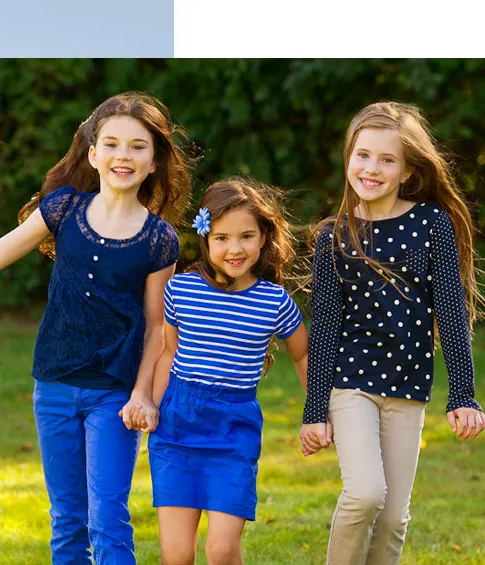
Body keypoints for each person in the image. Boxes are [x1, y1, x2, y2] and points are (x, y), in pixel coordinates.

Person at [0, 91, 192, 564]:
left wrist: (143, 393)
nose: (122, 155)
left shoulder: (159, 238)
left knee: (106, 515)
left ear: (153, 162)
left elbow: (155, 328)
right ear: (92, 153)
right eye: (111, 144)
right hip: (55, 386)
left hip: (115, 394)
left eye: (137, 146)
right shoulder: (62, 209)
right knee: (67, 518)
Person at [300, 101, 485, 565]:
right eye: (363, 155)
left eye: (387, 159)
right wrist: (314, 410)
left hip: (408, 386)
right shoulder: (334, 236)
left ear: (406, 171)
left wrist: (463, 394)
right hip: (351, 384)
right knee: (364, 494)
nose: (372, 167)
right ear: (348, 158)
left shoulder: (431, 224)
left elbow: (450, 308)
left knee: (392, 519)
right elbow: (323, 328)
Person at [148, 178, 309, 565]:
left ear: (263, 237)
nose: (234, 249)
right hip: (177, 427)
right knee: (177, 555)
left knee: (221, 552)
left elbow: (305, 357)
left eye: (246, 236)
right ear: (205, 238)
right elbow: (168, 352)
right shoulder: (180, 290)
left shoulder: (275, 301)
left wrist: (319, 412)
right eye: (222, 238)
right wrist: (152, 405)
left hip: (233, 430)